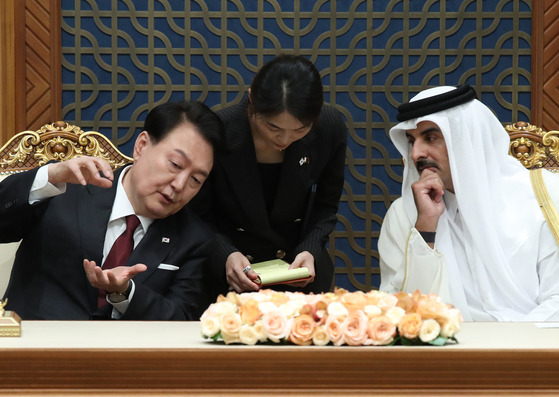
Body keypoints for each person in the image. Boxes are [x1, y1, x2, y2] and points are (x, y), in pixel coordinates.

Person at [0, 100, 225, 320]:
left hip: (126, 355)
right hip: (34, 348)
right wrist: (50, 176)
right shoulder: (65, 188)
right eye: (175, 165)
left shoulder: (194, 238)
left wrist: (126, 293)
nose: (179, 185)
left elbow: (181, 319)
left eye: (195, 179)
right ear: (142, 146)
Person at [378, 84, 559, 321]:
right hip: (445, 354)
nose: (416, 154)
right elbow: (399, 311)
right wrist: (425, 229)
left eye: (431, 137)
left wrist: (504, 351)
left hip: (530, 350)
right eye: (412, 141)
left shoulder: (544, 195)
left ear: (466, 138)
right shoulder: (403, 214)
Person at [193, 54, 347, 296]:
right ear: (251, 97)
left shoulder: (330, 126)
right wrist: (225, 253)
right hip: (229, 273)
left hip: (297, 270)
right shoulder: (218, 131)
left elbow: (326, 206)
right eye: (273, 127)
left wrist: (310, 249)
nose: (284, 140)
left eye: (300, 129)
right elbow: (196, 213)